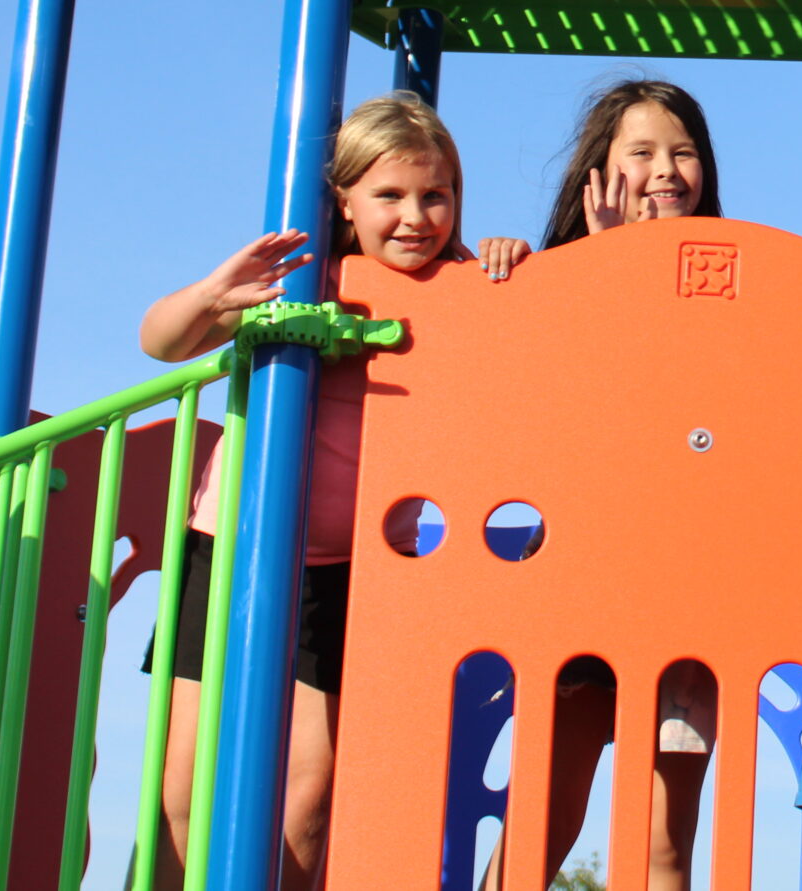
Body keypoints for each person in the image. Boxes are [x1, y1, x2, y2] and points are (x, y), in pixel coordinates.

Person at [140, 92, 527, 891]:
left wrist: (510, 263)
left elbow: (539, 347)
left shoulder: (460, 292)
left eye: (436, 194)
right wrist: (214, 297)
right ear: (345, 201)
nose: (416, 216)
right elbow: (160, 340)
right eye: (389, 195)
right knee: (184, 788)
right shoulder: (304, 276)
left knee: (308, 799)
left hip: (360, 565)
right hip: (235, 545)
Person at [529, 78, 725, 891]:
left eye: (683, 151)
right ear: (600, 171)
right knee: (545, 822)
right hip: (580, 583)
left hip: (690, 592)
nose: (665, 170)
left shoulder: (735, 280)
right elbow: (552, 395)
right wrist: (606, 261)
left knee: (660, 845)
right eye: (640, 152)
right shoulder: (558, 276)